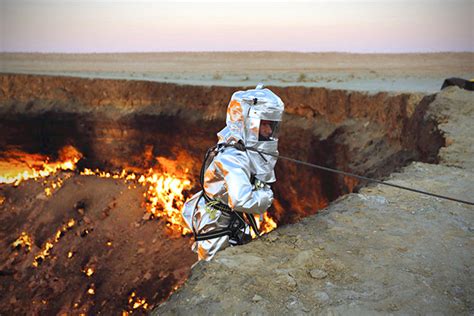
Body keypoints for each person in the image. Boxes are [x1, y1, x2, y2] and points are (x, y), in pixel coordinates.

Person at [181, 83, 284, 261]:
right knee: (213, 270)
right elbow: (241, 199)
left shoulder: (242, 149)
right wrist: (266, 196)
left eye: (272, 126)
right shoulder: (232, 158)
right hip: (215, 224)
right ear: (248, 123)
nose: (268, 131)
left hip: (229, 219)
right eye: (264, 124)